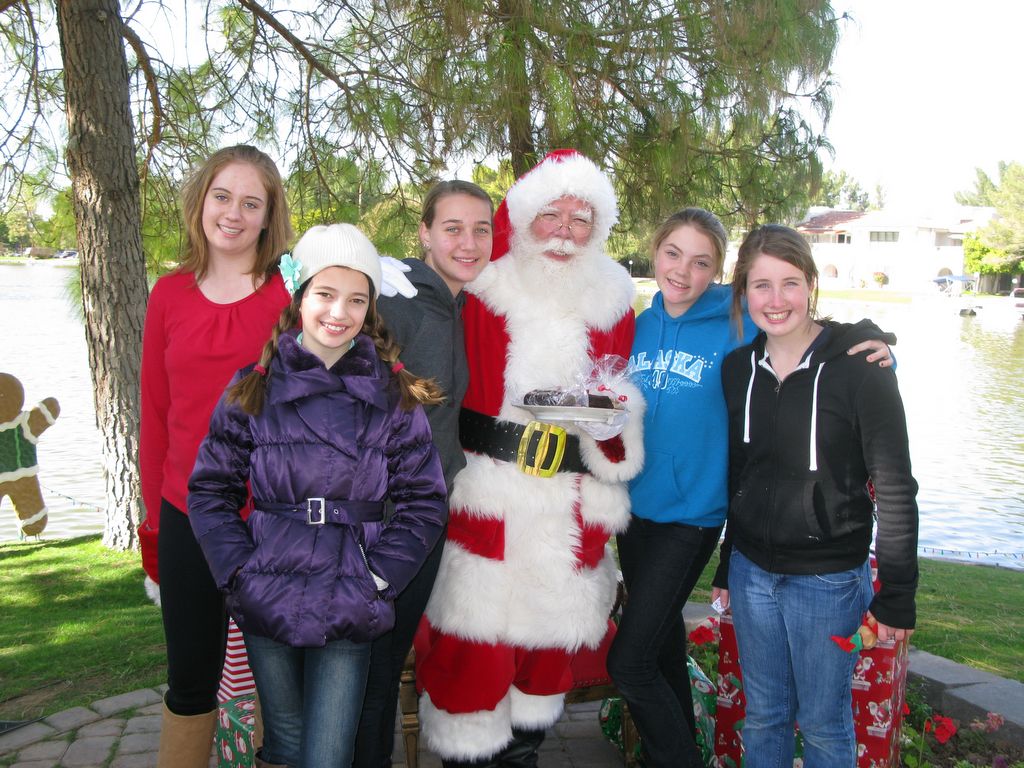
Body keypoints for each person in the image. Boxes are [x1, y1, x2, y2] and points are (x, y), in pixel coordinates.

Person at [609, 209, 893, 768]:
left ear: (719, 273)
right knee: (661, 649)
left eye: (701, 262)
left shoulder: (737, 321)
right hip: (633, 510)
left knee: (629, 661)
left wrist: (874, 338)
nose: (682, 271)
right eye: (672, 254)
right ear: (655, 251)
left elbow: (806, 328)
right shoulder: (636, 326)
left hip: (693, 515)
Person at [414, 150, 646, 768]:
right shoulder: (482, 282)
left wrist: (613, 419)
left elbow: (622, 401)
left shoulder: (616, 299)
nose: (565, 231)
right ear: (520, 218)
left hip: (571, 508)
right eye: (551, 214)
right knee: (472, 659)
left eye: (580, 217)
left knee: (543, 671)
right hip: (488, 497)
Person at [187, 223, 449, 768]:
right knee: (283, 742)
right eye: (325, 294)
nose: (339, 311)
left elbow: (424, 502)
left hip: (351, 595)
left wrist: (378, 577)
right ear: (299, 296)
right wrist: (238, 570)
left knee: (329, 753)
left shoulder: (393, 397)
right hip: (267, 586)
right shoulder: (252, 389)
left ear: (370, 310)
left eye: (357, 299)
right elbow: (211, 489)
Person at [712, 224, 918, 768]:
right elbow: (741, 473)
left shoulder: (860, 368)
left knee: (826, 726)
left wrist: (898, 591)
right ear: (742, 293)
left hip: (827, 582)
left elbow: (895, 483)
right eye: (760, 286)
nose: (775, 301)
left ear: (810, 285)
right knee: (764, 717)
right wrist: (725, 565)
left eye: (789, 283)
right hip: (752, 575)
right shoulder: (737, 371)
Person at [139, 145, 294, 767]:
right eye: (222, 197)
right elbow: (154, 415)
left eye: (250, 202)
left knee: (280, 680)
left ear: (268, 216)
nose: (232, 213)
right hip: (187, 517)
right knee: (191, 679)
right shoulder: (169, 295)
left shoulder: (293, 292)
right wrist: (153, 524)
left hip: (273, 518)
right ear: (201, 200)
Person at [354, 180, 494, 768]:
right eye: (452, 229)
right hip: (387, 519)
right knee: (373, 670)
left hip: (423, 514)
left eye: (480, 229)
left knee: (380, 667)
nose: (468, 242)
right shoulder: (401, 299)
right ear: (425, 234)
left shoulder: (450, 301)